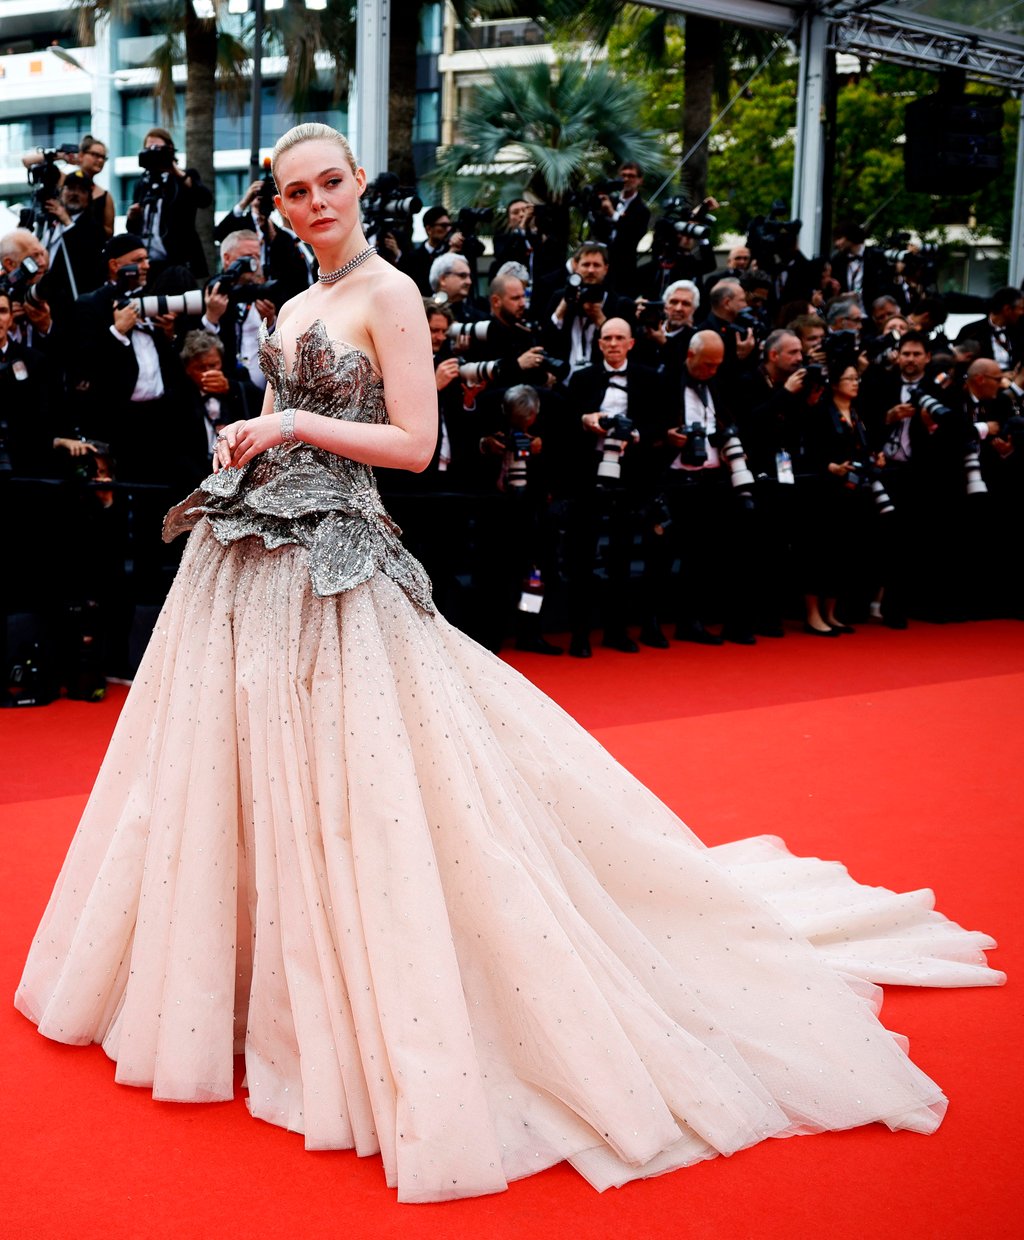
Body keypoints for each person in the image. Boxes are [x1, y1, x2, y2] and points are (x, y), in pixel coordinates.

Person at [15, 123, 1004, 1207]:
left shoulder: (390, 292)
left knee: (373, 785)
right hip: (257, 560)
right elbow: (275, 414)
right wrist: (249, 436)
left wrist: (294, 419)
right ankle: (260, 985)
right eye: (292, 193)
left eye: (328, 183)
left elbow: (416, 444)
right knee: (249, 773)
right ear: (278, 206)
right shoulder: (288, 307)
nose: (311, 204)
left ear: (355, 185)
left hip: (345, 560)